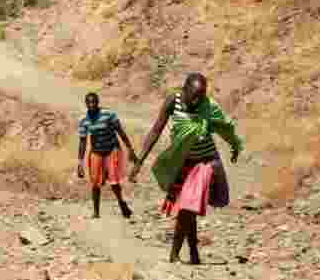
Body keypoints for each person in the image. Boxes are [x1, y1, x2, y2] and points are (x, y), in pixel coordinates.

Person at [129, 73, 244, 265]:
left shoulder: (209, 106)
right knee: (188, 209)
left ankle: (174, 255)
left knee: (187, 208)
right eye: (194, 95)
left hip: (205, 162)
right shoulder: (172, 101)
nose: (197, 99)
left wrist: (235, 146)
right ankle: (193, 252)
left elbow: (226, 127)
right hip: (183, 162)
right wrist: (140, 161)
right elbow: (156, 130)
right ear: (184, 90)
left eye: (201, 95)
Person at [77, 92, 137, 219]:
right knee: (95, 183)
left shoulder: (109, 115)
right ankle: (96, 212)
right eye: (89, 103)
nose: (91, 105)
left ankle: (121, 202)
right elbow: (83, 142)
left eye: (94, 102)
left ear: (98, 102)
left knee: (114, 181)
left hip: (111, 150)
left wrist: (130, 148)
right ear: (86, 104)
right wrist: (80, 162)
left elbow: (120, 131)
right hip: (96, 152)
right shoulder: (84, 120)